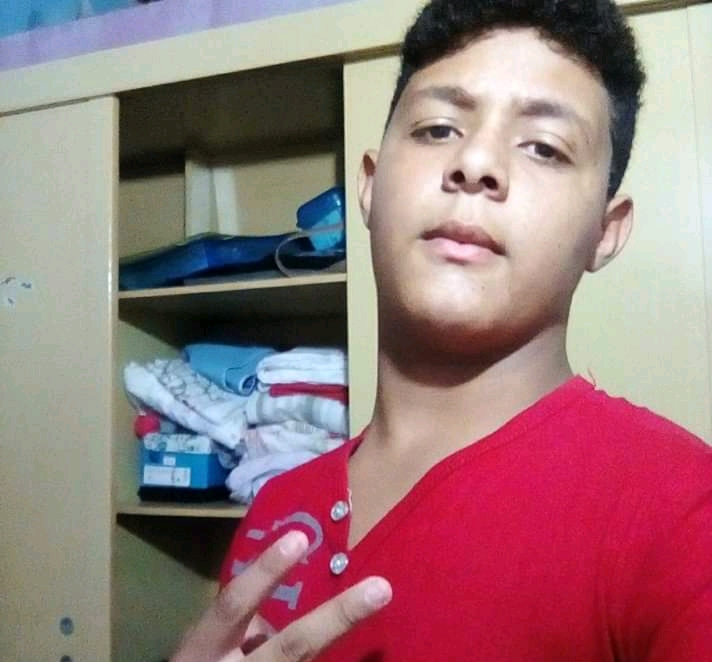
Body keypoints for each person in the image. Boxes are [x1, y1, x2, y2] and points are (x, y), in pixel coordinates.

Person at [173, 0, 712, 660]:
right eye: (437, 129)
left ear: (606, 231)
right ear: (369, 187)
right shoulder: (279, 505)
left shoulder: (682, 510)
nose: (476, 161)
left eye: (544, 147)